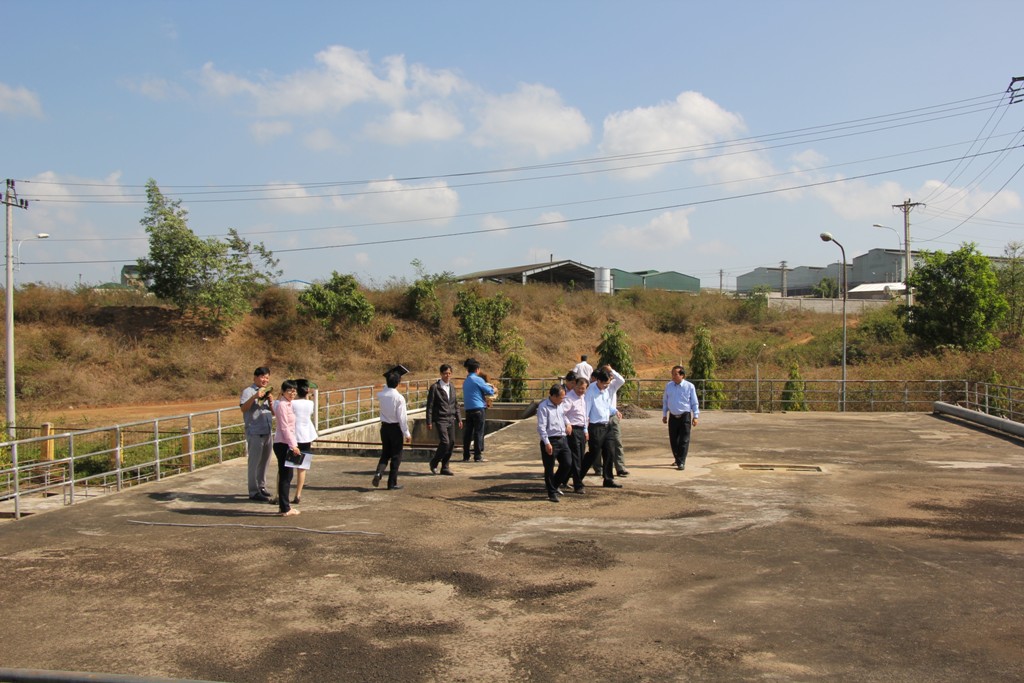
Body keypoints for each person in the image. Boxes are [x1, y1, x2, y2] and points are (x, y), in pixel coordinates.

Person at [583, 368, 625, 488]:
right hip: (595, 427)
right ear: (598, 381)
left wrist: (615, 411)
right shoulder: (590, 392)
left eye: (608, 383)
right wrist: (585, 429)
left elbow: (607, 405)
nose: (607, 386)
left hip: (607, 425)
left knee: (610, 452)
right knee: (593, 454)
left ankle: (608, 479)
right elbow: (585, 412)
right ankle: (578, 477)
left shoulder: (606, 390)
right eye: (605, 384)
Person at [239, 366, 274, 502]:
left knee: (265, 462)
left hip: (267, 431)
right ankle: (253, 491)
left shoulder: (267, 391)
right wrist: (254, 396)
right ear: (255, 377)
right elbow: (243, 408)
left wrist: (271, 401)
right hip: (255, 432)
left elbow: (273, 412)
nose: (265, 380)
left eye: (267, 377)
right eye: (262, 377)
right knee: (254, 463)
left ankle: (261, 487)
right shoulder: (248, 391)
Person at [374, 369, 411, 490]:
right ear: (398, 383)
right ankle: (392, 482)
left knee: (385, 453)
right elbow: (402, 418)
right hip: (395, 428)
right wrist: (406, 433)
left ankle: (379, 472)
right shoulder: (399, 398)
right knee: (396, 456)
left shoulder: (381, 395)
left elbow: (386, 389)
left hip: (384, 427)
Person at [536, 384, 573, 503]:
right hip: (550, 440)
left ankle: (554, 485)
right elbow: (541, 427)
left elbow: (563, 416)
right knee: (549, 467)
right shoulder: (543, 407)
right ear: (554, 396)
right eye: (561, 397)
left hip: (562, 438)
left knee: (567, 463)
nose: (563, 400)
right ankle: (551, 493)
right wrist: (547, 443)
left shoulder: (560, 405)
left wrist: (568, 423)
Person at [272, 380, 302, 517]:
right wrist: (293, 445)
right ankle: (285, 508)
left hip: (286, 442)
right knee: (285, 476)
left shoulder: (288, 404)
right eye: (289, 390)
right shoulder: (282, 405)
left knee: (287, 476)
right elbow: (284, 428)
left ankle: (283, 506)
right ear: (283, 391)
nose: (292, 393)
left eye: (294, 391)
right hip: (283, 444)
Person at [426, 364, 462, 475]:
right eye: (445, 373)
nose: (447, 375)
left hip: (451, 418)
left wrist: (459, 418)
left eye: (449, 373)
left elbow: (455, 404)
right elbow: (430, 405)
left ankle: (445, 467)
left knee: (451, 443)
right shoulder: (435, 387)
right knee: (445, 442)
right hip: (440, 418)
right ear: (441, 374)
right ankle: (434, 462)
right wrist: (429, 421)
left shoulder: (451, 387)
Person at [662, 365, 700, 470]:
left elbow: (694, 402)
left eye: (676, 374)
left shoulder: (689, 386)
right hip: (673, 416)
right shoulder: (669, 386)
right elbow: (665, 401)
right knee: (674, 440)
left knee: (684, 440)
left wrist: (695, 416)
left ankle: (681, 461)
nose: (673, 376)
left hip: (685, 416)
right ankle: (677, 459)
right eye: (672, 374)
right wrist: (664, 414)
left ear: (682, 375)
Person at [290, 379, 318, 504]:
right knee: (302, 467)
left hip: (294, 436)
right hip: (306, 436)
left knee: (287, 466)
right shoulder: (310, 403)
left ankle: (279, 494)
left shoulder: (292, 403)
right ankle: (298, 494)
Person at [461, 358, 495, 462]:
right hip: (478, 409)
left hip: (468, 409)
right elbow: (489, 391)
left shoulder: (466, 381)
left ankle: (466, 456)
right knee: (478, 432)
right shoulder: (478, 379)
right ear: (477, 369)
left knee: (468, 433)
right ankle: (478, 456)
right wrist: (493, 389)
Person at [602, 363, 630, 477]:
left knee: (617, 441)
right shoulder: (595, 387)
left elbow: (622, 380)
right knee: (599, 444)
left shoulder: (613, 385)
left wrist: (611, 370)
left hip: (612, 417)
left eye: (610, 376)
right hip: (600, 418)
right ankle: (598, 468)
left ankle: (620, 467)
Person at [561, 376, 589, 494]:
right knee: (576, 458)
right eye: (579, 388)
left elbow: (584, 415)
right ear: (574, 386)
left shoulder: (583, 398)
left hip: (581, 430)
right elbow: (561, 412)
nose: (581, 390)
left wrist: (586, 430)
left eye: (583, 388)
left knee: (580, 457)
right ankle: (578, 484)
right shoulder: (569, 398)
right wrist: (567, 423)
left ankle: (563, 479)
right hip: (572, 430)